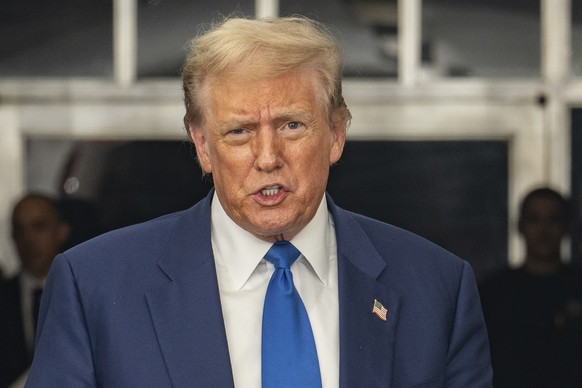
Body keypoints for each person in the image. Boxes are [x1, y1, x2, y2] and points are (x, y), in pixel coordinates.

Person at [26, 16, 492, 387]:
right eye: (239, 131)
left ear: (336, 133)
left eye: (292, 125)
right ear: (203, 146)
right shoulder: (96, 289)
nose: (267, 158)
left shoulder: (437, 288)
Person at [479, 187, 582, 387]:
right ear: (520, 226)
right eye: (535, 219)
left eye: (553, 219)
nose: (544, 230)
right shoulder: (494, 292)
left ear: (566, 226)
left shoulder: (578, 286)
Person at [0, 193, 70, 387]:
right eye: (19, 230)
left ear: (61, 231)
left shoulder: (82, 294)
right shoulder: (3, 297)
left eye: (38, 226)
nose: (28, 239)